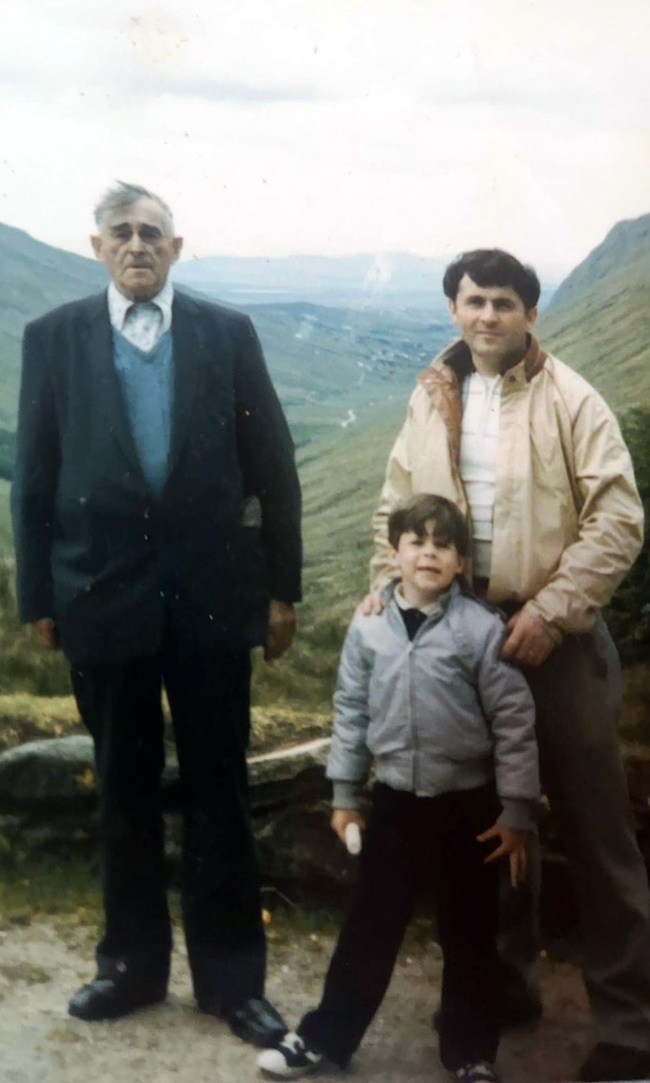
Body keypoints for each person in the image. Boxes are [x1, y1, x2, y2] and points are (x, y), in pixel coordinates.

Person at [11, 182, 301, 1048]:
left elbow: (272, 461)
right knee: (124, 791)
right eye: (121, 233)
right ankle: (128, 968)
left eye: (153, 234)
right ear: (95, 245)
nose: (137, 245)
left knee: (221, 787)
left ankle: (232, 983)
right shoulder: (53, 338)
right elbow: (34, 477)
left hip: (213, 602)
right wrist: (39, 599)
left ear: (177, 249)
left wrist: (278, 588)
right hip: (101, 598)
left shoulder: (226, 333)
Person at [351, 249, 649, 1082]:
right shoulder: (431, 396)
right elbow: (395, 505)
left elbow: (619, 516)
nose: (488, 316)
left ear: (531, 316)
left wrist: (552, 613)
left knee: (597, 828)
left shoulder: (569, 397)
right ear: (453, 309)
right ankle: (503, 986)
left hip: (556, 641)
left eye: (505, 303)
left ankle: (632, 1024)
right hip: (462, 638)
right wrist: (394, 589)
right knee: (492, 822)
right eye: (474, 300)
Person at [256, 493, 540, 1083]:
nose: (429, 554)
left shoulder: (480, 632)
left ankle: (470, 1056)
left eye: (443, 545)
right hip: (395, 805)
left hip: (470, 808)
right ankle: (325, 1037)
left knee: (469, 932)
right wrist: (342, 795)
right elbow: (351, 711)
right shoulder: (369, 626)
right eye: (417, 542)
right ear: (395, 552)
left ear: (462, 562)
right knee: (371, 924)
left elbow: (514, 720)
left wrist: (515, 810)